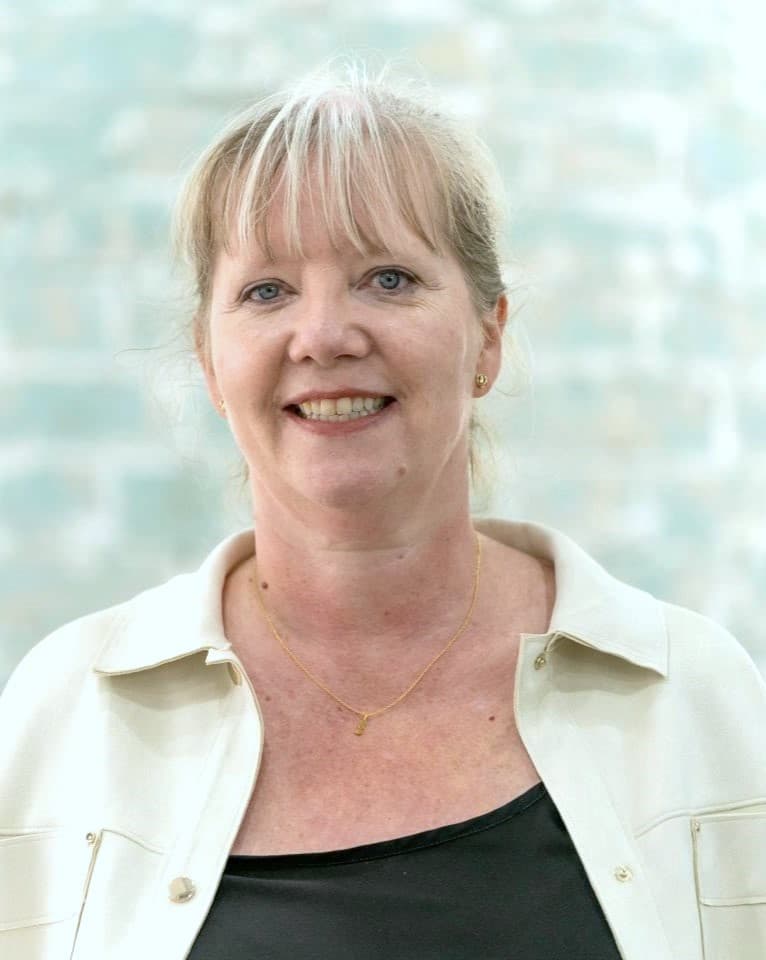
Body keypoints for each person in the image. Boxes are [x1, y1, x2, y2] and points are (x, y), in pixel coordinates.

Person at [1, 63, 764, 960]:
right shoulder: (64, 713)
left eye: (389, 279)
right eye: (267, 291)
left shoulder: (698, 698)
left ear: (488, 338)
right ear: (211, 363)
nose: (323, 335)